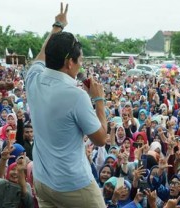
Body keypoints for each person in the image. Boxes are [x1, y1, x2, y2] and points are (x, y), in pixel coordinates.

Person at [25, 3, 107, 207]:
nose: (81, 64)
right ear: (69, 62)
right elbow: (101, 139)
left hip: (42, 181)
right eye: (80, 59)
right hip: (73, 185)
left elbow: (45, 51)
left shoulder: (33, 77)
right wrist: (99, 101)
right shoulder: (76, 96)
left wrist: (58, 25)